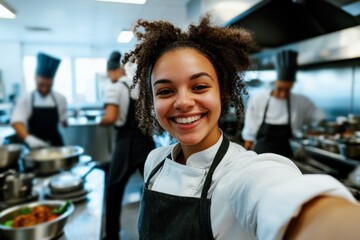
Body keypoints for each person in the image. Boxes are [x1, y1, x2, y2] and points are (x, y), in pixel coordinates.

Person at [121, 15, 360, 239]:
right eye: (165, 91)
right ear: (152, 101)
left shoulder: (240, 175)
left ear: (222, 94)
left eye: (199, 86)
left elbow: (282, 195)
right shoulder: (154, 161)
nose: (183, 102)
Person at [100, 51, 155, 240]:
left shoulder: (114, 88)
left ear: (114, 71)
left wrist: (101, 121)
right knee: (154, 187)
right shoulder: (138, 86)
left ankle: (112, 235)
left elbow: (111, 117)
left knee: (114, 189)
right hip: (146, 141)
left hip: (126, 143)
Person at [242, 49, 326, 157]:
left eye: (287, 90)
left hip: (285, 154)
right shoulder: (259, 98)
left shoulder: (300, 101)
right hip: (262, 153)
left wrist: (321, 127)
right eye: (280, 89)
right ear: (275, 83)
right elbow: (250, 124)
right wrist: (248, 142)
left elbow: (319, 118)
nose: (283, 95)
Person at [11, 52, 67, 148]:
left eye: (48, 86)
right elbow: (16, 122)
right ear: (35, 79)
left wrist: (65, 121)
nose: (44, 89)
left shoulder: (60, 98)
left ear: (53, 81)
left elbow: (63, 121)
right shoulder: (26, 98)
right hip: (33, 146)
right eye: (41, 85)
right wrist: (29, 139)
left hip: (56, 145)